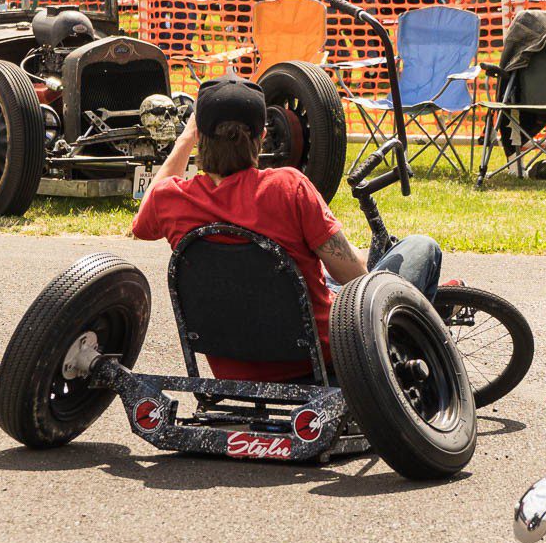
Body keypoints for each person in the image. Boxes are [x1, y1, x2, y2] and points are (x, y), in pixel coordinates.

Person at [133, 76, 441, 383]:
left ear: (200, 135)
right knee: (421, 248)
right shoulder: (288, 188)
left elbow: (141, 226)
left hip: (234, 367)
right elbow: (356, 279)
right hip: (318, 359)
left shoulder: (170, 199)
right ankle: (403, 373)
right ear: (263, 135)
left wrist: (184, 141)